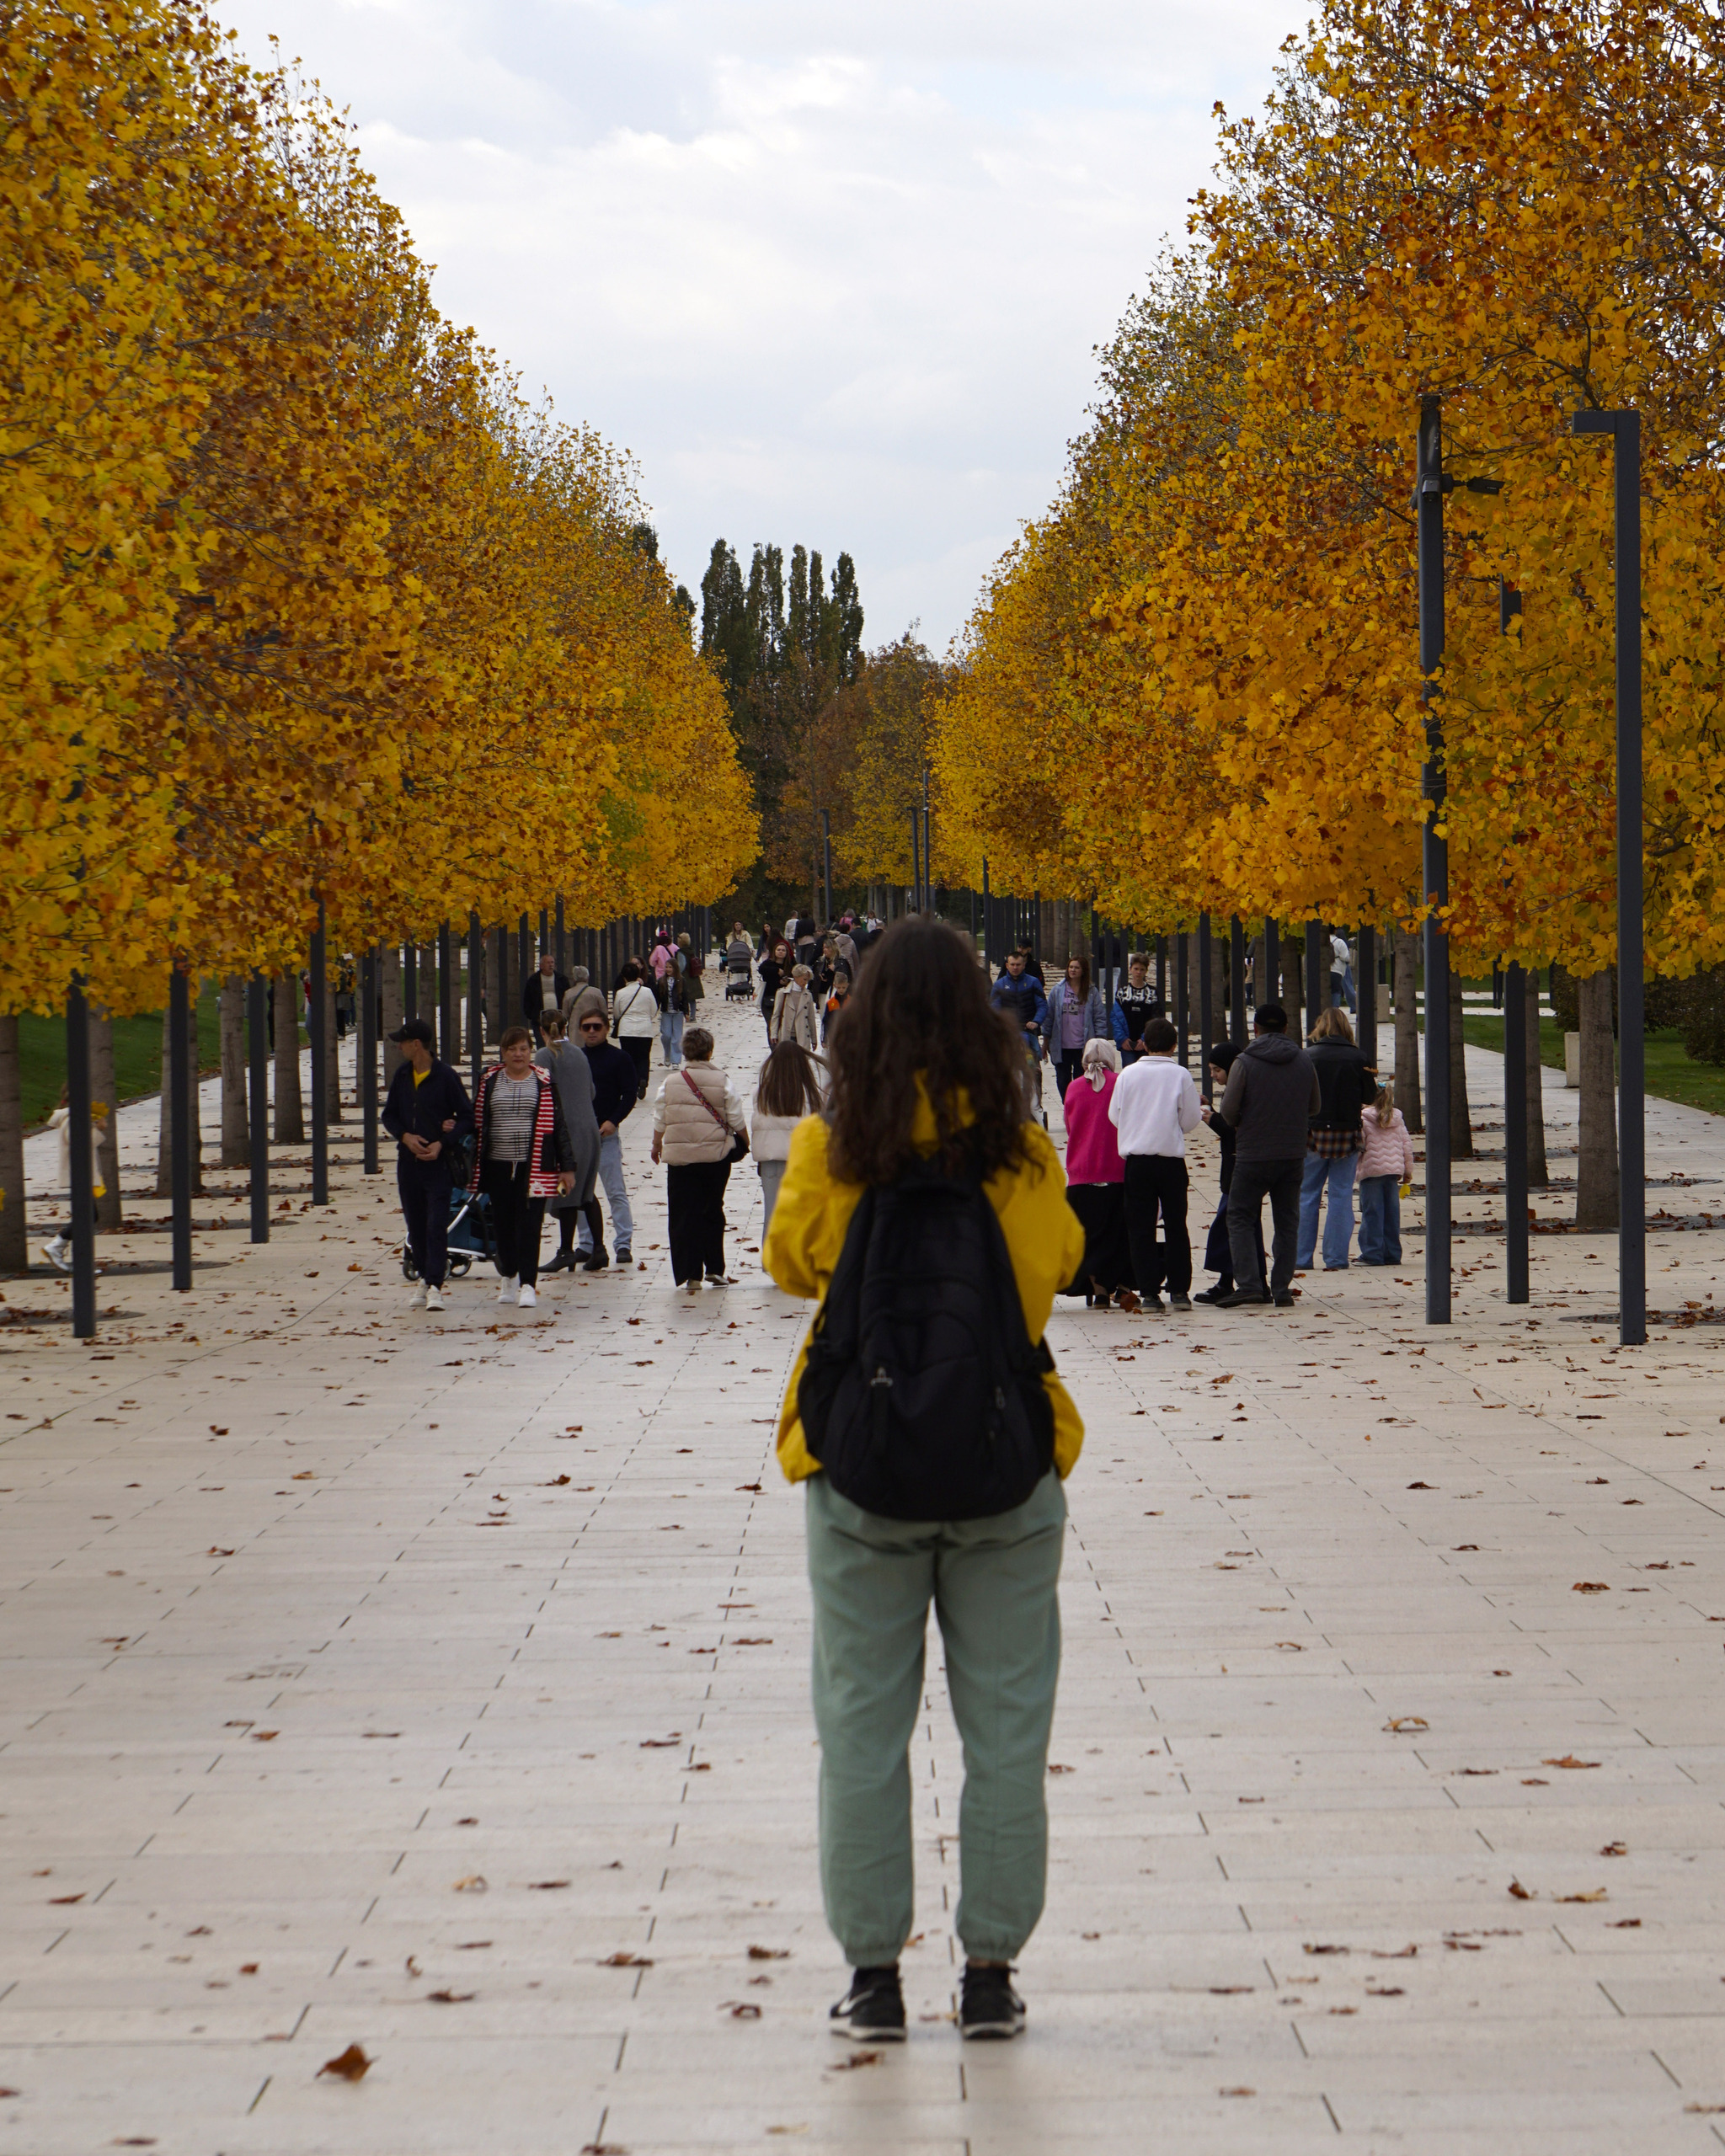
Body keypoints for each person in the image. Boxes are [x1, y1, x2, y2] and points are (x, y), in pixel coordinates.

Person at [762, 915, 1085, 2046]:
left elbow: (789, 1262)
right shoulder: (1022, 1155)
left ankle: (872, 1976)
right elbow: (1056, 1271)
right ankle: (991, 1968)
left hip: (860, 1471)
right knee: (1004, 1730)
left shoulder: (831, 1149)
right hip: (1004, 1466)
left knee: (860, 1729)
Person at [1211, 1004, 1321, 1308]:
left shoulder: (1244, 1063)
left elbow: (1229, 1112)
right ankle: (1282, 1288)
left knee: (1241, 1215)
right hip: (1291, 1154)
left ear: (1255, 1029)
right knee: (1287, 1221)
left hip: (1253, 1154)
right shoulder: (1303, 1060)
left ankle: (1249, 1285)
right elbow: (1314, 1106)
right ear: (1286, 1029)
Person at [467, 1026, 575, 1308]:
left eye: (524, 1049)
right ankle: (509, 1274)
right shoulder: (489, 1080)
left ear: (531, 1052)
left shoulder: (543, 1081)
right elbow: (476, 1122)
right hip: (497, 1166)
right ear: (503, 1052)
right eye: (512, 1049)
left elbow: (559, 1126)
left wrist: (567, 1166)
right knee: (502, 1226)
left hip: (535, 1167)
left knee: (530, 1226)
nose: (518, 1054)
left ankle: (528, 1283)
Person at [1108, 1015, 1201, 1313]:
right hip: (1170, 1159)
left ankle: (1149, 1292)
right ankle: (1179, 1291)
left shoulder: (1128, 1075)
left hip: (1137, 1159)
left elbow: (1114, 1116)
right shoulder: (1181, 1076)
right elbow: (1190, 1119)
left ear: (1144, 1044)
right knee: (1176, 1225)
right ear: (1174, 1045)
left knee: (1141, 1228)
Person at [380, 1018, 473, 1313]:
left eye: (403, 1041)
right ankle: (423, 1276)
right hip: (409, 1164)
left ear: (416, 1044)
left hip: (439, 1165)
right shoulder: (403, 1075)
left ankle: (435, 1285)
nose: (399, 1046)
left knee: (435, 1225)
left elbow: (468, 1117)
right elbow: (389, 1115)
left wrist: (443, 1142)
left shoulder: (445, 1076)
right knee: (415, 1226)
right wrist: (405, 1137)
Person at [650, 1024, 746, 1289]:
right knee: (712, 1209)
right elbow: (736, 1117)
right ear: (710, 1051)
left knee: (684, 1214)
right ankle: (715, 1267)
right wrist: (746, 1143)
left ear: (685, 1052)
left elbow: (661, 1117)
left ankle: (690, 1273)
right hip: (716, 1157)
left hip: (681, 1159)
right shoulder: (723, 1080)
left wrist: (657, 1145)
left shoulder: (669, 1083)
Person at [1060, 1037, 1137, 1308]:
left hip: (1083, 1171)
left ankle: (1098, 1288)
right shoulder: (1121, 1084)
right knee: (1120, 1232)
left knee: (1088, 1235)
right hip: (1117, 1169)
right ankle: (1123, 1285)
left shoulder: (1073, 1088)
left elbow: (1070, 1127)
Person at [1298, 1006, 1375, 1271]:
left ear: (1321, 1027)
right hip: (1346, 1132)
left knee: (1307, 1194)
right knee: (1341, 1195)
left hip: (1313, 1131)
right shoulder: (1358, 1057)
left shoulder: (1308, 1056)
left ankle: (1301, 1257)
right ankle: (1336, 1257)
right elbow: (1369, 1097)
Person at [534, 1013, 606, 1275]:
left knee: (566, 1186)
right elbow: (591, 1091)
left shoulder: (544, 1054)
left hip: (567, 1129)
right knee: (586, 1191)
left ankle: (565, 1251)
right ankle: (598, 1249)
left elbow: (542, 1092)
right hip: (589, 1126)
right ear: (566, 1027)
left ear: (542, 1031)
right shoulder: (579, 1052)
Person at [1195, 1041, 1264, 1305]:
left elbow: (1235, 1129)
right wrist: (1212, 1113)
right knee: (1244, 1225)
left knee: (1229, 1225)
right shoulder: (1243, 1087)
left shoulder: (1242, 1090)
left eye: (1216, 1070)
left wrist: (1214, 1119)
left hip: (1240, 1168)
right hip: (1239, 1167)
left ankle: (1230, 1281)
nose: (1213, 1075)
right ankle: (1252, 1281)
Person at [570, 1001, 638, 1267]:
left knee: (615, 1191)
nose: (591, 1032)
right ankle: (586, 1243)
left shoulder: (620, 1058)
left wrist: (614, 1121)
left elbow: (629, 1094)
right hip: (580, 1136)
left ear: (607, 1029)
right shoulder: (576, 1058)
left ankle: (623, 1243)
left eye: (597, 1027)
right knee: (579, 1194)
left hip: (606, 1135)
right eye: (586, 1027)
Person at [751, 1038, 824, 1234]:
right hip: (802, 1161)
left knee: (772, 1216)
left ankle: (771, 1263)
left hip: (771, 1161)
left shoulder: (762, 1092)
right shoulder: (810, 1094)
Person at [38, 1086, 108, 1273]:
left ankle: (73, 1256)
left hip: (81, 1174)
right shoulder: (72, 1118)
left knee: (88, 1215)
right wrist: (98, 1128)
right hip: (79, 1175)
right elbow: (79, 1142)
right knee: (88, 1216)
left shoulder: (75, 1117)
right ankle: (57, 1246)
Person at [1356, 1081, 1414, 1264]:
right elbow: (1407, 1146)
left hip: (1371, 1171)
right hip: (1393, 1172)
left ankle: (1372, 1253)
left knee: (1372, 1213)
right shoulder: (1397, 1118)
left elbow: (1360, 1144)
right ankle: (1392, 1253)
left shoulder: (1363, 1118)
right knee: (1391, 1214)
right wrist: (1408, 1171)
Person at [990, 947, 1049, 1118]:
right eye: (1012, 964)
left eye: (1018, 964)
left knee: (1034, 1070)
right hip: (1008, 1038)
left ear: (1023, 965)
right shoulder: (1000, 985)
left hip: (1028, 1035)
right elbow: (994, 1008)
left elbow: (1042, 1005)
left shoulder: (1032, 983)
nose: (1015, 967)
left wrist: (1036, 1021)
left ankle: (1036, 1104)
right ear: (1007, 965)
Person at [1045, 953, 1111, 1102]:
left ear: (1083, 971)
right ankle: (1068, 1106)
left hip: (1083, 1045)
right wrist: (1046, 1040)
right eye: (1071, 967)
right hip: (1062, 1045)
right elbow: (1049, 1016)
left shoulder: (1091, 991)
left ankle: (1079, 1108)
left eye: (1077, 968)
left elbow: (1099, 1017)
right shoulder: (1058, 990)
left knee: (1082, 1081)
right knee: (1063, 1081)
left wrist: (1100, 1041)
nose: (1073, 970)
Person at [610, 959, 658, 1099]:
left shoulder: (620, 993)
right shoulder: (647, 991)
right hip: (644, 1029)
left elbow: (617, 1013)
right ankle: (643, 1078)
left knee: (628, 1057)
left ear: (624, 977)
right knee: (643, 1057)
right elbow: (653, 1011)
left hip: (626, 1030)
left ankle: (632, 1082)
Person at [1110, 953, 1163, 1065]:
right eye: (1136, 969)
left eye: (1142, 969)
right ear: (1130, 969)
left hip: (1146, 1044)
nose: (1138, 972)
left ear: (1146, 971)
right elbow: (1116, 1018)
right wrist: (1122, 1039)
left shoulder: (1152, 992)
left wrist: (1145, 1039)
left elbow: (1156, 1018)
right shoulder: (1122, 992)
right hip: (1127, 1043)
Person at [772, 963, 820, 1051]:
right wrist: (774, 1034)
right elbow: (776, 1015)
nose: (806, 983)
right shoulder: (782, 993)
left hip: (802, 1035)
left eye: (808, 980)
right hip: (786, 1033)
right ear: (796, 977)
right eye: (804, 979)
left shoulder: (808, 995)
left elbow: (811, 1018)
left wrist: (814, 1039)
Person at [521, 949, 569, 1027]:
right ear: (541, 966)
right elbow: (527, 999)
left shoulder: (562, 979)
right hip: (539, 1019)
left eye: (552, 962)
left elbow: (567, 996)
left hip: (558, 1018)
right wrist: (532, 1016)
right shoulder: (533, 980)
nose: (551, 965)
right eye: (548, 963)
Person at [758, 937, 790, 1044]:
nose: (781, 952)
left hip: (784, 999)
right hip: (769, 998)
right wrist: (776, 971)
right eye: (779, 950)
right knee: (771, 1024)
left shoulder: (789, 965)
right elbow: (761, 970)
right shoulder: (768, 964)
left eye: (783, 950)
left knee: (782, 1024)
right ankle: (774, 1047)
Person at [822, 966, 850, 1043]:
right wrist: (824, 1038)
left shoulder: (851, 1002)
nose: (841, 990)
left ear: (847, 985)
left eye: (843, 987)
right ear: (835, 986)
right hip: (834, 1035)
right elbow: (826, 1021)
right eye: (839, 987)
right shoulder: (830, 1003)